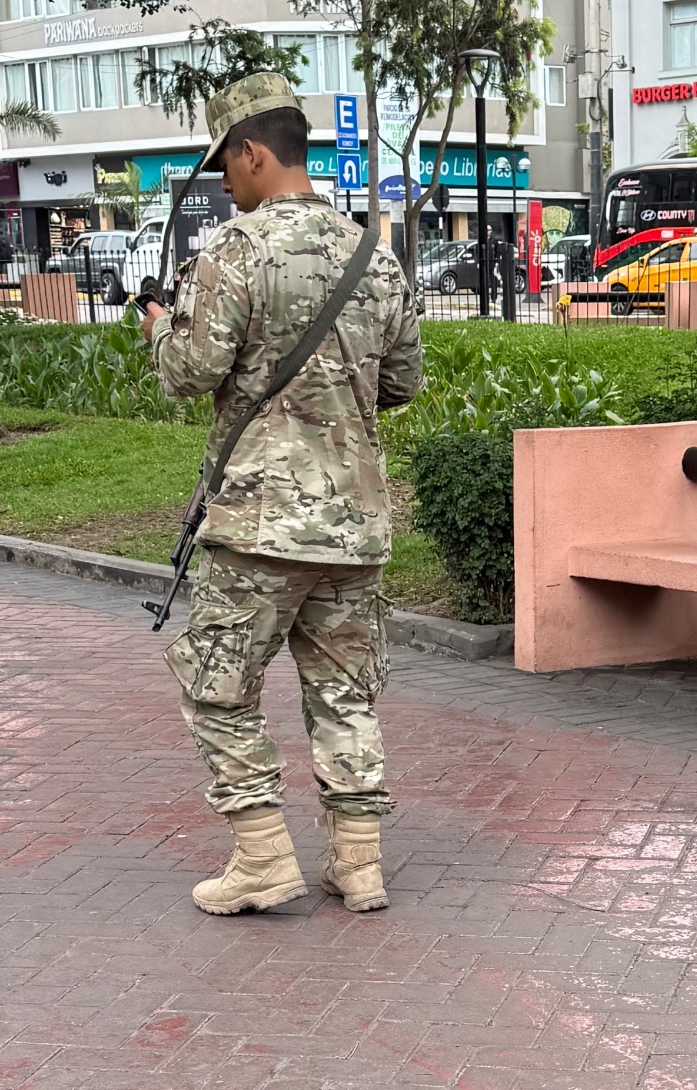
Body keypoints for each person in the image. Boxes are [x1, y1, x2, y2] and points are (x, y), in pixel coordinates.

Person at [140, 72, 422, 915]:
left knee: (216, 686)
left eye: (226, 163)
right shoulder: (376, 253)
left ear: (255, 152)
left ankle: (263, 853)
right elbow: (401, 382)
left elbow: (191, 373)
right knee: (346, 692)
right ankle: (359, 863)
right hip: (354, 530)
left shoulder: (234, 250)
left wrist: (160, 328)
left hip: (259, 524)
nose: (224, 182)